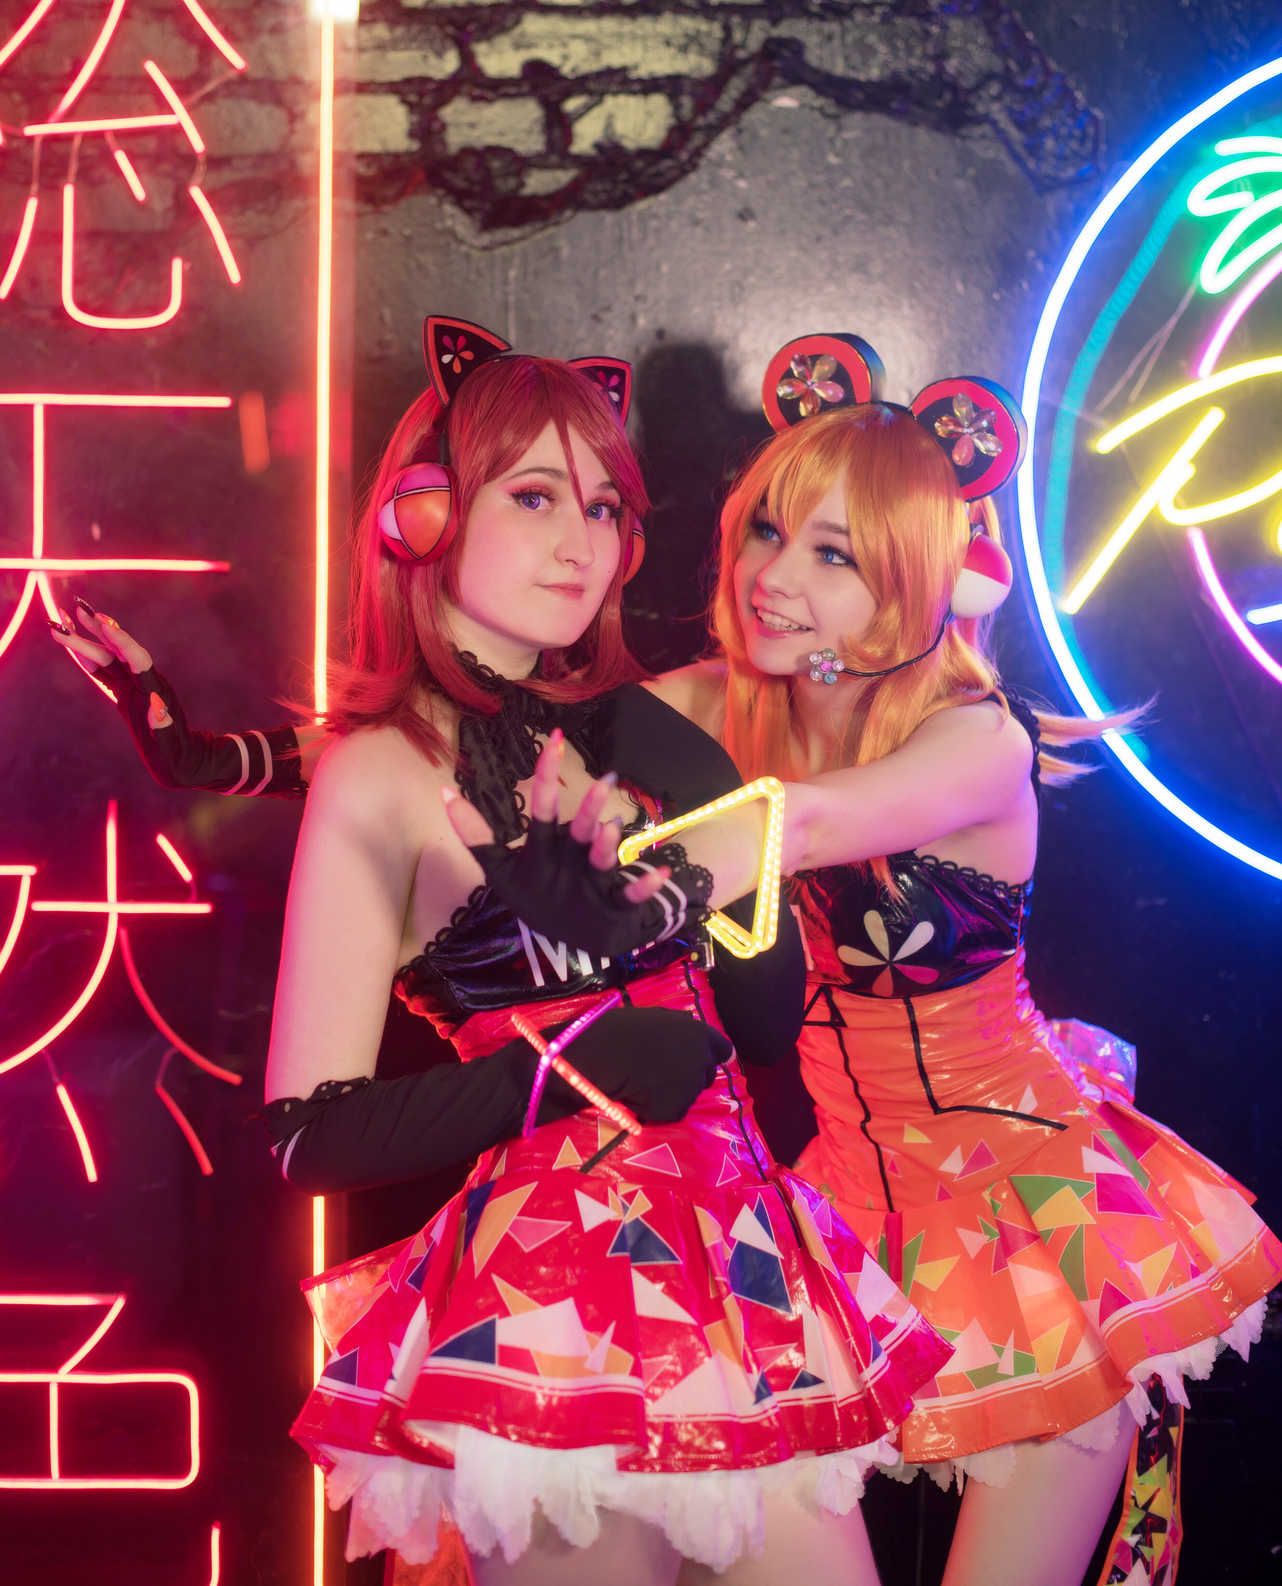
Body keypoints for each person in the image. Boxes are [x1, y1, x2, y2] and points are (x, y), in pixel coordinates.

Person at [67, 322, 946, 1586]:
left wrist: (704, 889)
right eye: (533, 497)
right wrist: (568, 1067)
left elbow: (763, 983)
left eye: (602, 507)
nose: (578, 542)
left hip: (744, 1262)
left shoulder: (649, 726)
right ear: (420, 516)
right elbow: (305, 1134)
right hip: (553, 1295)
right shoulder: (380, 773)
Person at [619, 332, 1281, 1586]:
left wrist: (614, 874)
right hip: (837, 1213)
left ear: (916, 578)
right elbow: (508, 737)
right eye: (766, 533)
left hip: (1035, 1222)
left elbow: (807, 822)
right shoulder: (725, 700)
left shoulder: (979, 739)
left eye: (833, 555)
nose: (774, 578)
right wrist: (286, 759)